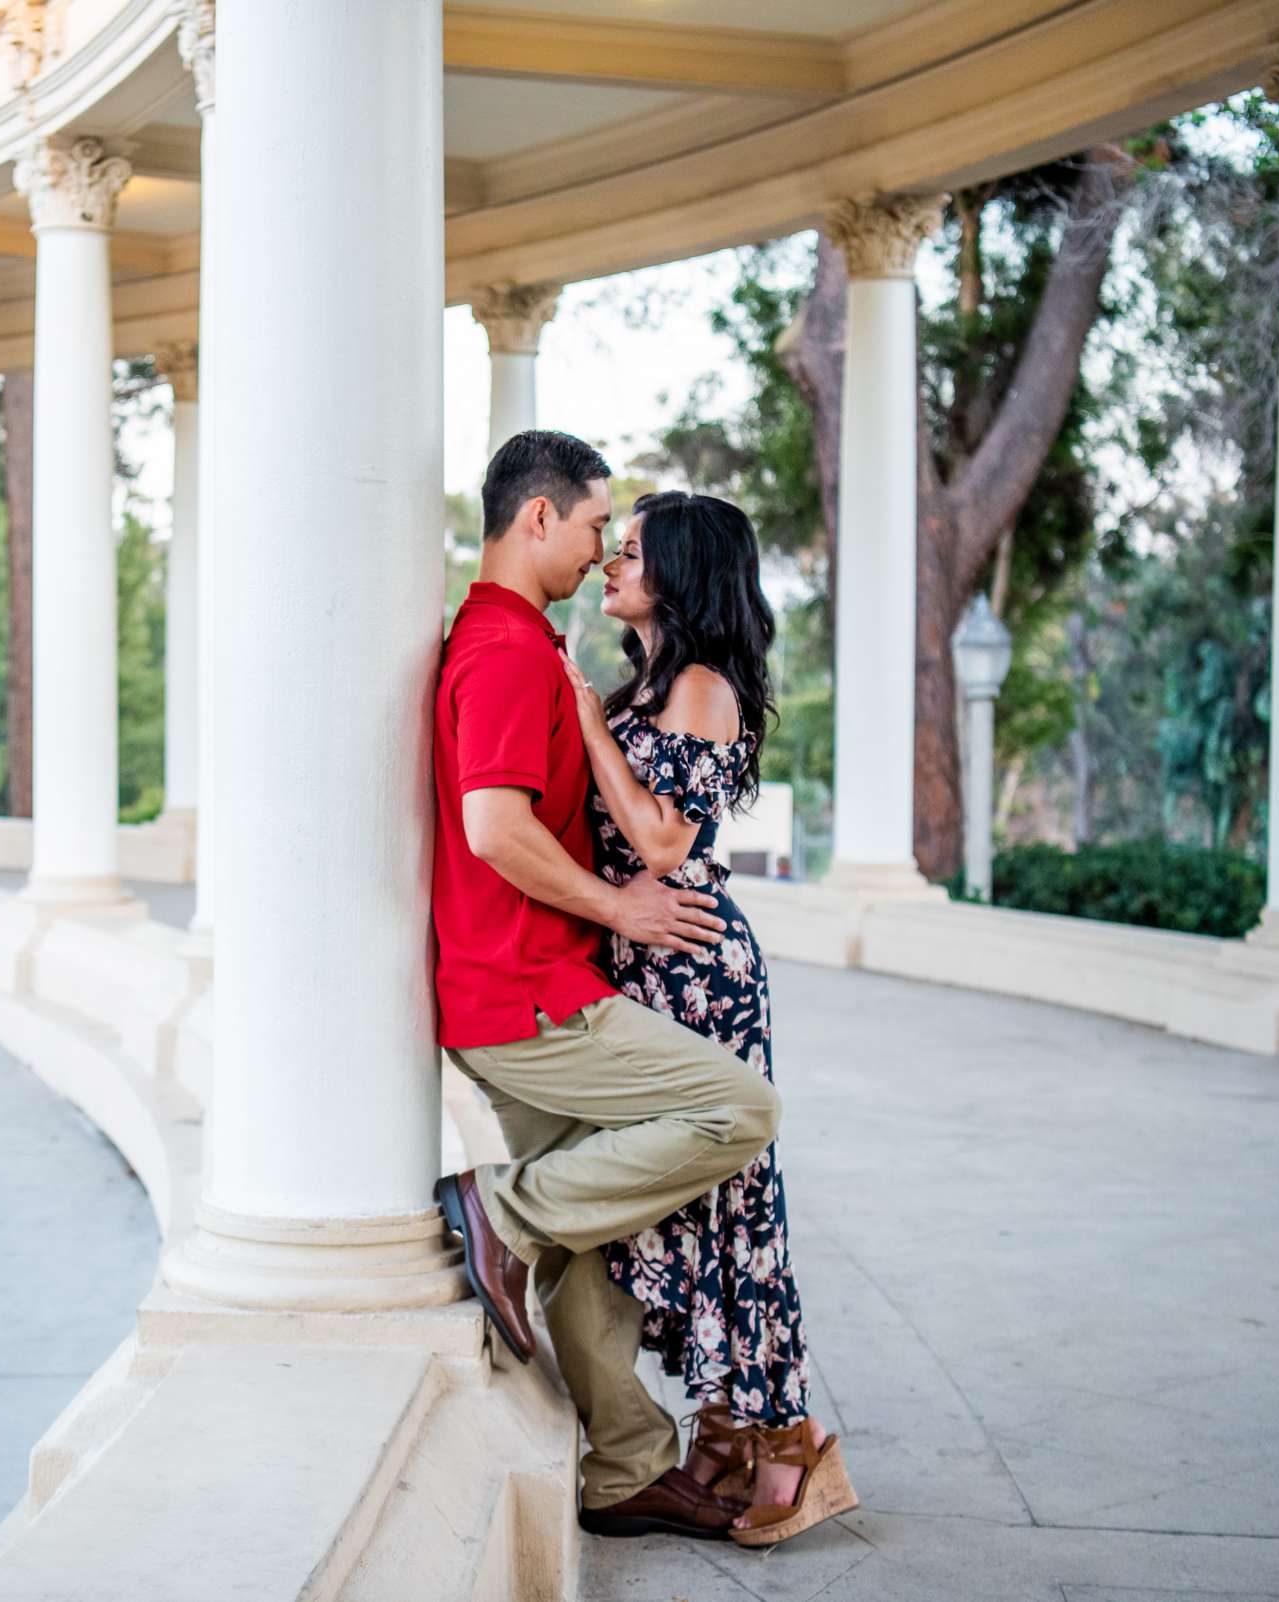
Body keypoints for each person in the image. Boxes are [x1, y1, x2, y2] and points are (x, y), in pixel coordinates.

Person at [429, 430, 782, 1543]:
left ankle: (627, 1466)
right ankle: (506, 1215)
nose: (599, 554)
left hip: (540, 982)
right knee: (738, 1110)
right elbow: (495, 827)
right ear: (540, 520)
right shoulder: (508, 653)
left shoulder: (521, 648)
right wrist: (620, 906)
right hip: (530, 993)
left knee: (606, 1237)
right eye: (594, 529)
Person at [563, 491, 855, 1548]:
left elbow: (661, 844)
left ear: (679, 572)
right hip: (650, 969)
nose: (610, 563)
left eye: (630, 552)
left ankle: (794, 1442)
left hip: (696, 973)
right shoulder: (654, 681)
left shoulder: (697, 685)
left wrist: (589, 722)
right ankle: (730, 1429)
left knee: (733, 1208)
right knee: (689, 1206)